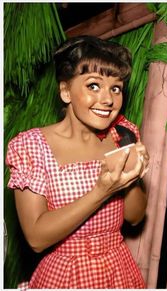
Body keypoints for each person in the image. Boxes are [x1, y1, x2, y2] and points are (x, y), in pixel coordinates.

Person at [6, 35, 149, 289]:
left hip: (118, 271)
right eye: (93, 85)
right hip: (65, 275)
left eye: (115, 88)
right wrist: (101, 191)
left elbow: (135, 217)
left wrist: (132, 176)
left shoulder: (123, 134)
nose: (108, 100)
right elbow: (36, 237)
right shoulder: (31, 147)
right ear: (65, 91)